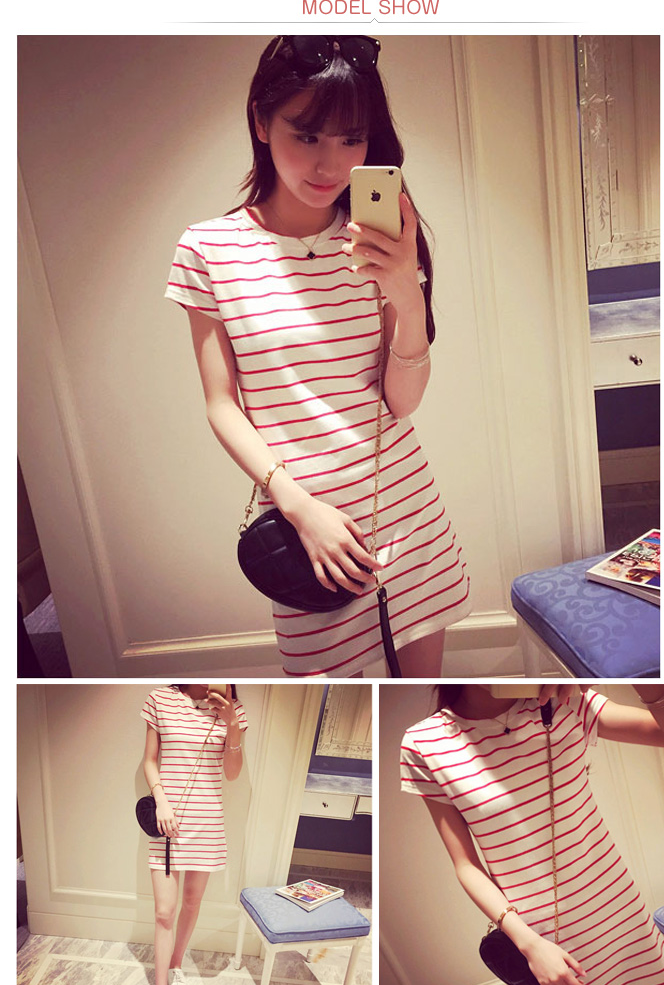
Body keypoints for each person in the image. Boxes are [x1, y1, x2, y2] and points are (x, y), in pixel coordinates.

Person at [166, 36, 470, 677]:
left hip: (407, 516)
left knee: (417, 704)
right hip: (304, 535)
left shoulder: (379, 240)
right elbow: (221, 405)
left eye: (351, 139)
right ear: (261, 122)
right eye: (306, 135)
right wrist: (300, 509)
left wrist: (405, 294)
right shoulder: (209, 250)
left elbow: (402, 403)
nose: (330, 163)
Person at [400, 680, 664, 985]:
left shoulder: (567, 702)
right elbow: (466, 864)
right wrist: (529, 945)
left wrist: (638, 671)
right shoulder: (425, 744)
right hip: (542, 937)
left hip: (615, 907)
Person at [141, 682, 247, 985]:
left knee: (191, 902)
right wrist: (161, 801)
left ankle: (176, 964)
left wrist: (232, 723)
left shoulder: (232, 709)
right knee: (163, 912)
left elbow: (232, 773)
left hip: (207, 822)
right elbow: (149, 760)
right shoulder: (161, 699)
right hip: (166, 822)